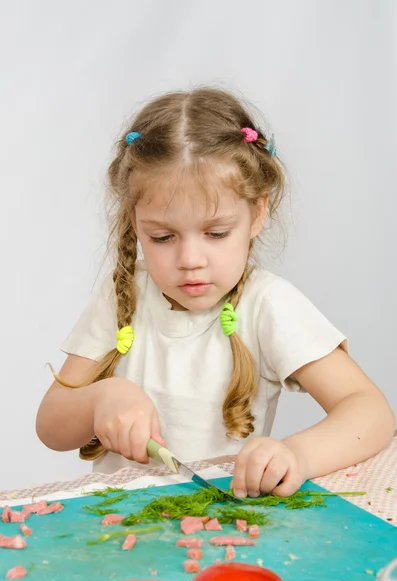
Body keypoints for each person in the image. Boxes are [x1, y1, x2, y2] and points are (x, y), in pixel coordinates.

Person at [36, 88, 395, 499]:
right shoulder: (124, 296)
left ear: (258, 213)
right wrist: (102, 398)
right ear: (135, 224)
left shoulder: (267, 305)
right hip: (119, 533)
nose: (191, 259)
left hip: (222, 525)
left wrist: (298, 454)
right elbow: (51, 427)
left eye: (216, 233)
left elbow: (371, 412)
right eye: (163, 236)